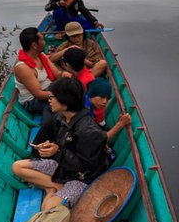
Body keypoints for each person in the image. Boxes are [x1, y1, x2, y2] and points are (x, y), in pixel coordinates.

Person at [11, 78, 109, 211]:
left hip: (81, 177)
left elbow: (86, 166)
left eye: (52, 97)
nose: (49, 100)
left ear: (65, 101)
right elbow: (63, 145)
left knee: (47, 208)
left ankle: (52, 190)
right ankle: (54, 187)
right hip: (62, 167)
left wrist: (56, 152)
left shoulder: (88, 131)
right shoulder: (60, 117)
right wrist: (49, 145)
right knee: (17, 167)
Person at [14, 27, 69, 127]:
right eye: (42, 40)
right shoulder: (23, 68)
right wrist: (60, 94)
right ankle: (49, 129)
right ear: (34, 45)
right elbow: (38, 94)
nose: (45, 42)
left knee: (72, 87)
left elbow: (57, 74)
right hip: (32, 100)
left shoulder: (41, 55)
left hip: (49, 88)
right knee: (56, 105)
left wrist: (66, 76)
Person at [87, 76, 132, 144]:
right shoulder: (86, 113)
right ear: (92, 94)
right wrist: (120, 124)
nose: (105, 101)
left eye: (108, 98)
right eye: (101, 97)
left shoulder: (87, 102)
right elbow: (98, 141)